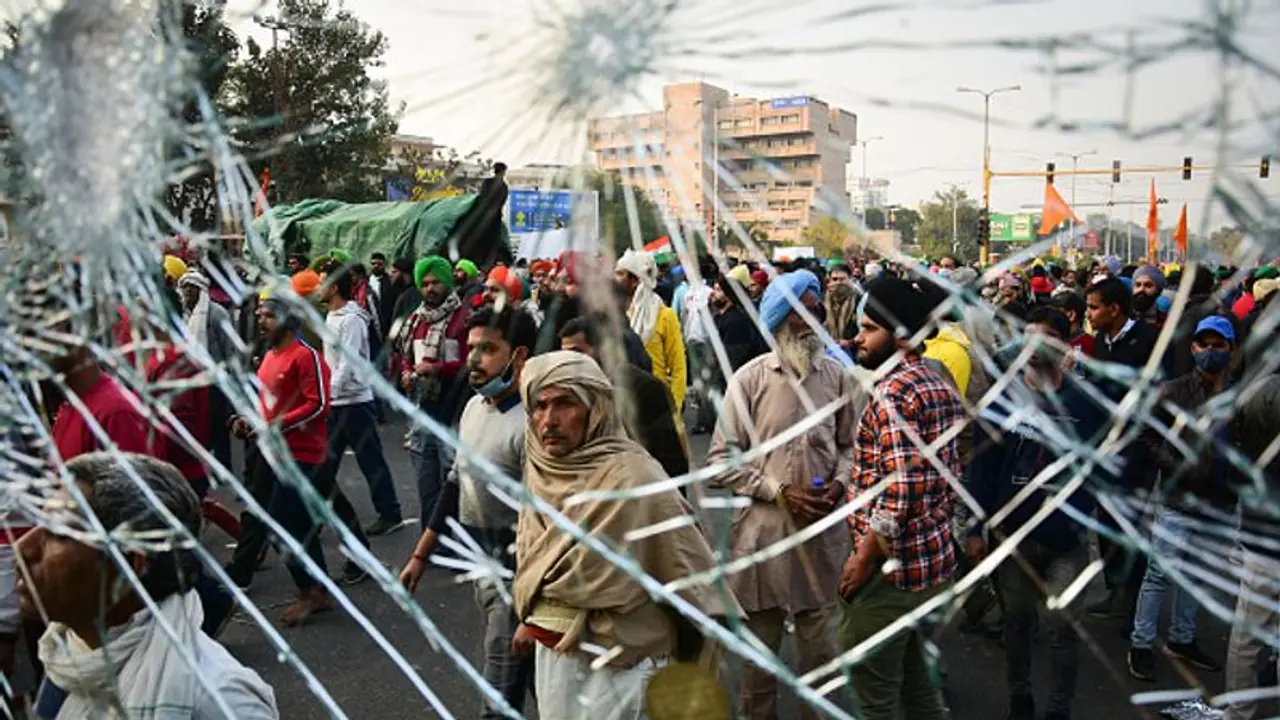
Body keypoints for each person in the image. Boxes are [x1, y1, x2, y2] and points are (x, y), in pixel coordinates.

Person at [512, 351, 734, 720]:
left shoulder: (635, 478)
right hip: (555, 659)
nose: (549, 420)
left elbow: (694, 579)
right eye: (540, 406)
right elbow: (536, 563)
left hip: (624, 662)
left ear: (595, 409)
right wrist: (529, 615)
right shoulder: (541, 472)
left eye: (565, 404)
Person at [20, 453, 278, 719]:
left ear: (130, 566)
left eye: (59, 534)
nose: (23, 549)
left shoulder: (218, 702)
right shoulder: (68, 657)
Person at [706, 269, 856, 720]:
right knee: (760, 668)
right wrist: (777, 490)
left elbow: (852, 446)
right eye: (798, 316)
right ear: (776, 322)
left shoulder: (838, 378)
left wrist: (842, 482)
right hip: (763, 541)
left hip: (821, 541)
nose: (809, 324)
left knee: (821, 664)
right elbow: (720, 460)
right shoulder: (750, 380)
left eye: (814, 313)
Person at [967, 307, 1106, 720]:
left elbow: (1099, 467)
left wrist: (1081, 516)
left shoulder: (1084, 402)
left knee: (1062, 629)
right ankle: (1020, 699)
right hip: (1014, 537)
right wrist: (976, 526)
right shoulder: (1003, 399)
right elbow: (983, 467)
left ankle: (1059, 708)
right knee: (1016, 624)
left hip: (1066, 539)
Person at [401, 305, 537, 718]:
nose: (475, 360)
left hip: (520, 575)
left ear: (519, 357)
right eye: (471, 348)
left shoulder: (533, 423)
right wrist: (420, 556)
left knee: (497, 694)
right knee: (531, 683)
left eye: (488, 349)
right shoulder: (475, 408)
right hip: (482, 563)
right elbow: (455, 484)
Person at [838, 274, 960, 720]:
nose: (858, 339)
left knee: (875, 702)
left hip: (891, 578)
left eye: (870, 329)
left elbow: (900, 491)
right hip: (934, 566)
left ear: (903, 336)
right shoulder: (933, 380)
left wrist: (863, 558)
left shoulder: (894, 391)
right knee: (920, 691)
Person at [225, 295, 371, 619]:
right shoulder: (269, 357)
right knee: (281, 521)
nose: (261, 322)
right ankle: (314, 588)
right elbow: (265, 404)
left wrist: (275, 425)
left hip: (303, 456)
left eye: (268, 316)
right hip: (270, 453)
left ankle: (312, 589)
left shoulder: (307, 356)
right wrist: (245, 420)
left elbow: (319, 404)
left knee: (286, 522)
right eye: (260, 315)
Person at [1126, 316, 1236, 681]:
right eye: (1203, 344)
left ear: (1230, 350)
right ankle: (1141, 644)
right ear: (1192, 348)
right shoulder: (1172, 391)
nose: (1209, 352)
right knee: (1159, 573)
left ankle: (1183, 638)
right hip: (1177, 498)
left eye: (1217, 345)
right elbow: (1145, 435)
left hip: (1218, 501)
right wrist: (1175, 465)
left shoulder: (1239, 395)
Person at [318, 263, 404, 536]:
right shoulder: (331, 317)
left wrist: (328, 394)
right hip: (337, 403)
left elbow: (348, 362)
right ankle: (318, 514)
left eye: (322, 282)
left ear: (333, 287)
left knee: (370, 461)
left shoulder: (351, 319)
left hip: (354, 402)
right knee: (323, 464)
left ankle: (390, 513)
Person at [559, 315, 689, 479]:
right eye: (565, 355)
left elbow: (671, 461)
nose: (570, 361)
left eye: (577, 352)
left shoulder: (642, 388)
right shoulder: (570, 392)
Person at [394, 256, 470, 523]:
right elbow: (404, 355)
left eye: (436, 282)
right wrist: (406, 371)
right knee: (425, 478)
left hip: (455, 410)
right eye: (424, 283)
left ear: (447, 282)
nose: (430, 289)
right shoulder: (416, 320)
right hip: (421, 409)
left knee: (453, 480)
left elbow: (471, 364)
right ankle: (429, 538)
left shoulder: (464, 318)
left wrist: (439, 368)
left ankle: (454, 540)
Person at [615, 250, 686, 411]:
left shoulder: (664, 316)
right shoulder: (615, 314)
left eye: (620, 274)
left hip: (657, 404)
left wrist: (673, 409)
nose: (615, 279)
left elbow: (678, 368)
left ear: (636, 280)